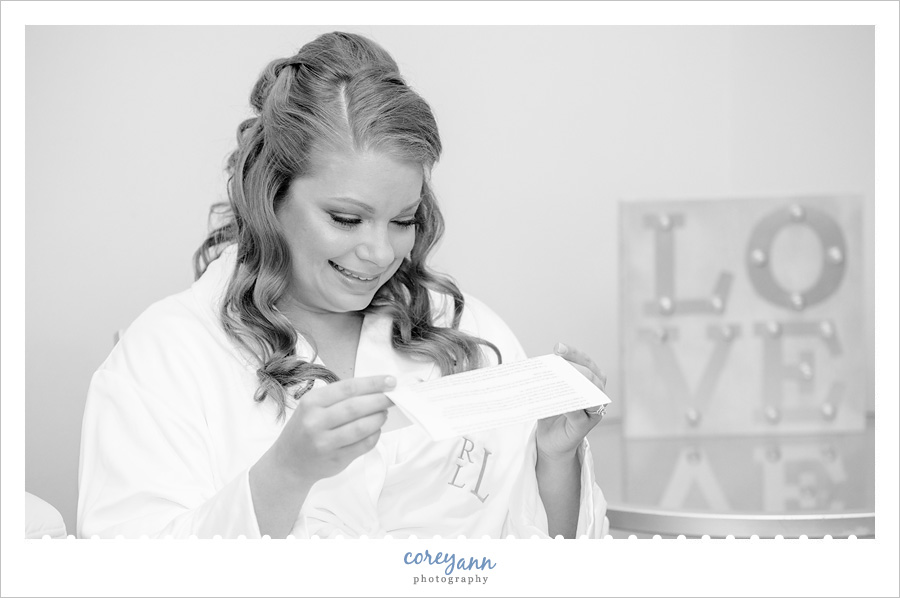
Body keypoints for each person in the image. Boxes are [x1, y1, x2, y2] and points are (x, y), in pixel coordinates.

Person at [77, 31, 610, 539]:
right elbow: (127, 570)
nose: (380, 252)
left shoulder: (465, 329)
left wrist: (554, 458)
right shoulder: (167, 355)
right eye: (347, 219)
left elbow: (550, 563)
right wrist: (284, 474)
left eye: (403, 220)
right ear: (270, 195)